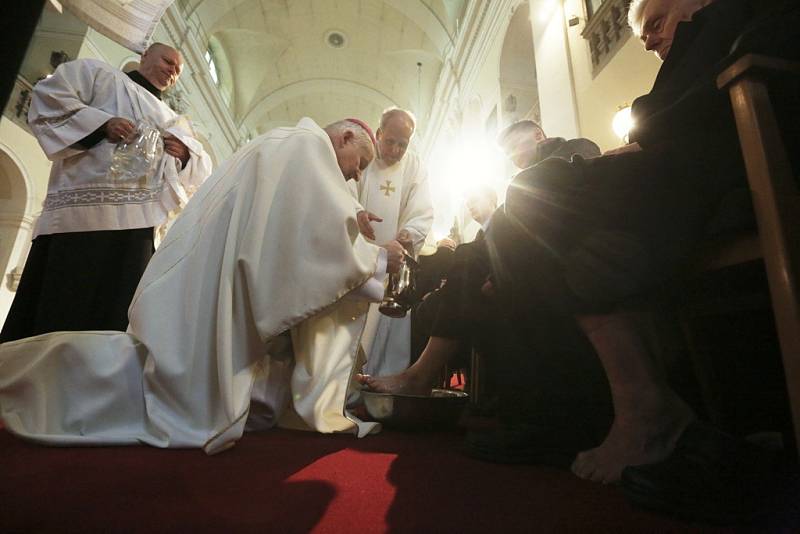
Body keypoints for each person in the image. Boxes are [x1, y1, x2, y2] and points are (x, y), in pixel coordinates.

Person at [362, 0, 795, 484]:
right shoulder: (697, 45)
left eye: (656, 22)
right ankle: (574, 413)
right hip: (667, 178)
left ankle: (596, 414)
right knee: (503, 233)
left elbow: (685, 115)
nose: (647, 39)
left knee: (525, 207)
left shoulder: (731, 19)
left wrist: (639, 137)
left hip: (705, 170)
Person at [0, 117, 406, 454]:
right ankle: (23, 376)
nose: (355, 174)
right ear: (346, 135)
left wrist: (351, 213)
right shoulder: (306, 144)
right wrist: (378, 257)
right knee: (163, 389)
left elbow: (300, 221)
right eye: (359, 162)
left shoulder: (289, 143)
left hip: (199, 281)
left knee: (149, 371)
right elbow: (314, 236)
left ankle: (27, 373)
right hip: (211, 287)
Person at [0, 43, 212, 342]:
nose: (172, 70)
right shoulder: (99, 75)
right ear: (145, 55)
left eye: (177, 69)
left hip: (140, 223)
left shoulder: (176, 121)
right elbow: (50, 95)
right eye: (167, 61)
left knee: (115, 313)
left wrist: (186, 156)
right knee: (63, 299)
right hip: (83, 214)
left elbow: (204, 169)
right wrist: (102, 124)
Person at [352, 108, 433, 378]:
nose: (397, 150)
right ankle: (345, 387)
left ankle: (380, 383)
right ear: (378, 134)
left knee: (385, 328)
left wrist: (409, 233)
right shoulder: (362, 156)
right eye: (390, 141)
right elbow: (345, 192)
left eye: (403, 144)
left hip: (394, 265)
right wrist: (356, 213)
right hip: (358, 261)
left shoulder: (414, 167)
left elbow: (422, 210)